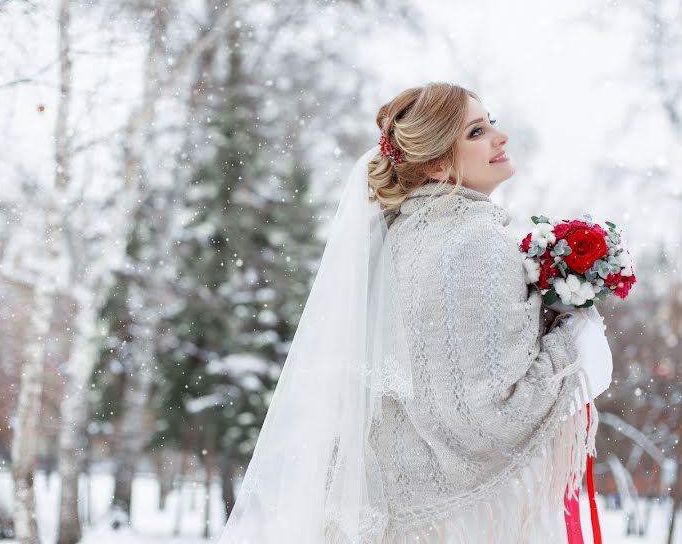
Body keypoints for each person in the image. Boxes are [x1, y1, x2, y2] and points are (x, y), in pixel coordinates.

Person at [217, 82, 609, 543]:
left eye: (492, 124)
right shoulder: (473, 238)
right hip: (449, 525)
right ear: (439, 163)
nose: (500, 138)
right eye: (477, 132)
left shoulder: (399, 235)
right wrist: (575, 338)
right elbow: (485, 413)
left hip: (388, 512)